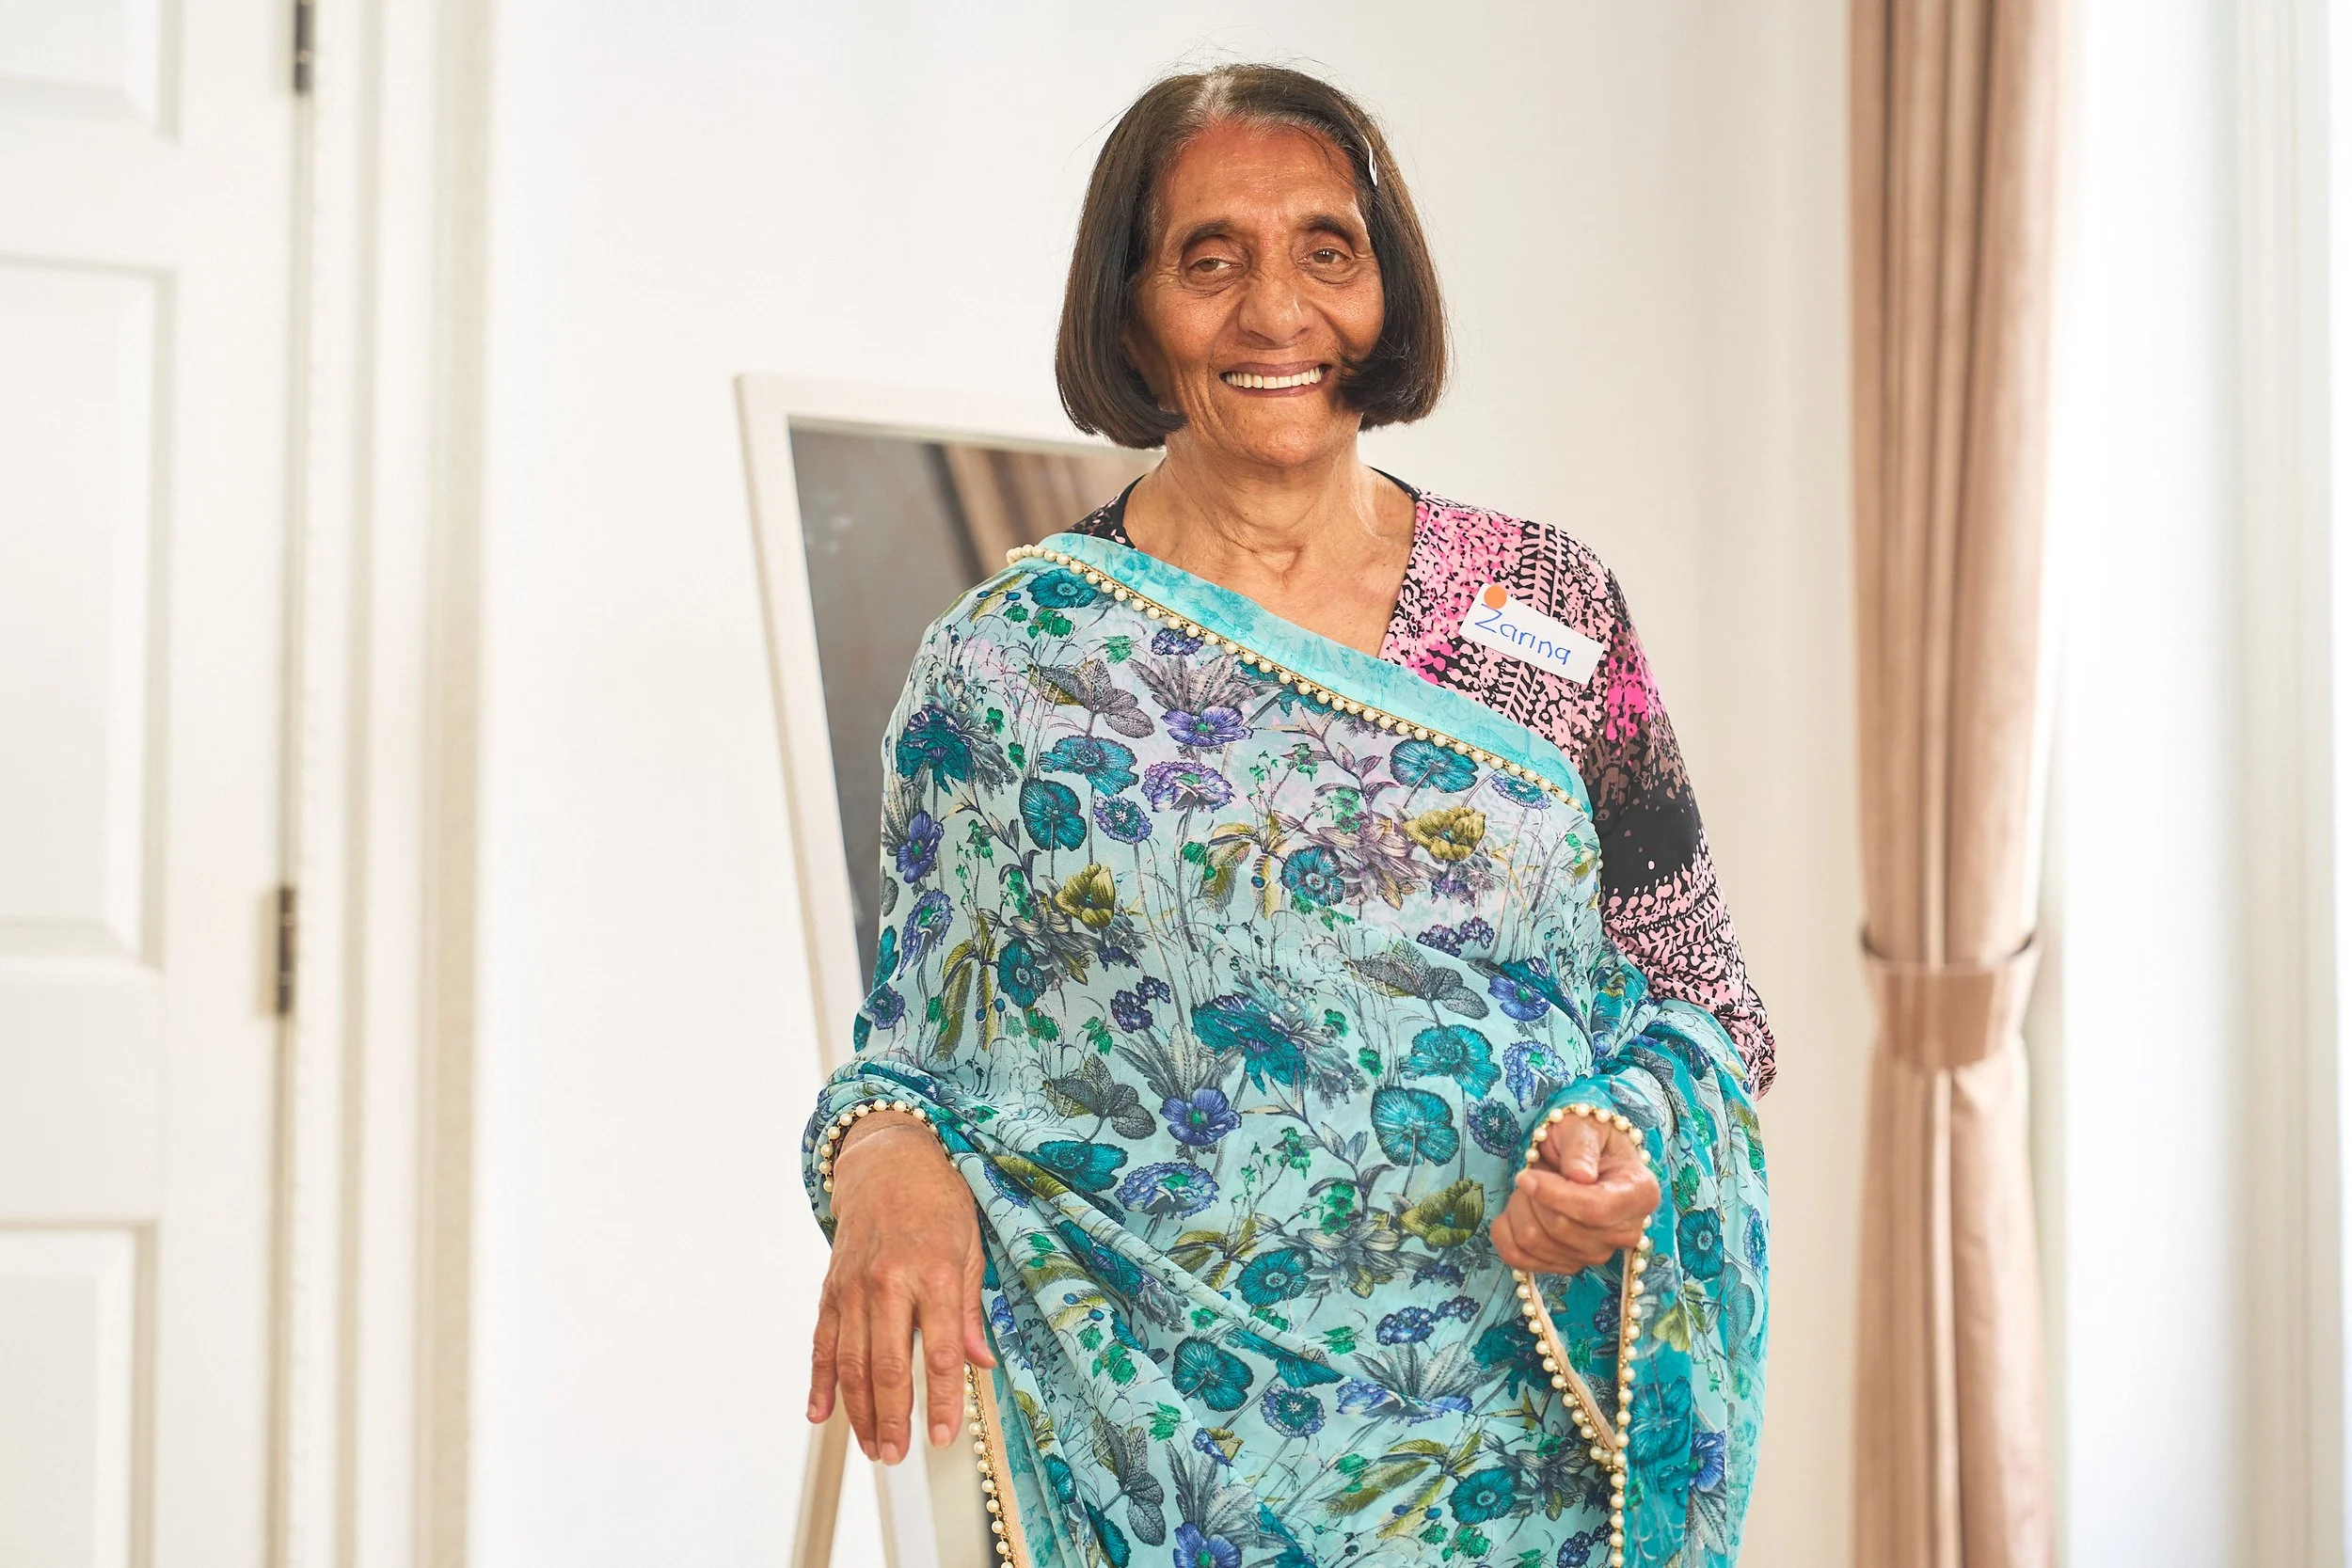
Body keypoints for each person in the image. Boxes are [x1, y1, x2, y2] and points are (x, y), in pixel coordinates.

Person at [803, 64, 1769, 1568]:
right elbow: (910, 1054)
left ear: (1391, 290)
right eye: (1210, 259)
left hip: (1519, 1458)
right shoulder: (1006, 667)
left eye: (1329, 250)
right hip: (1165, 1478)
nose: (1276, 313)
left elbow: (1701, 997)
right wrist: (884, 1160)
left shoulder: (1548, 609)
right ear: (1126, 313)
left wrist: (1626, 1131)